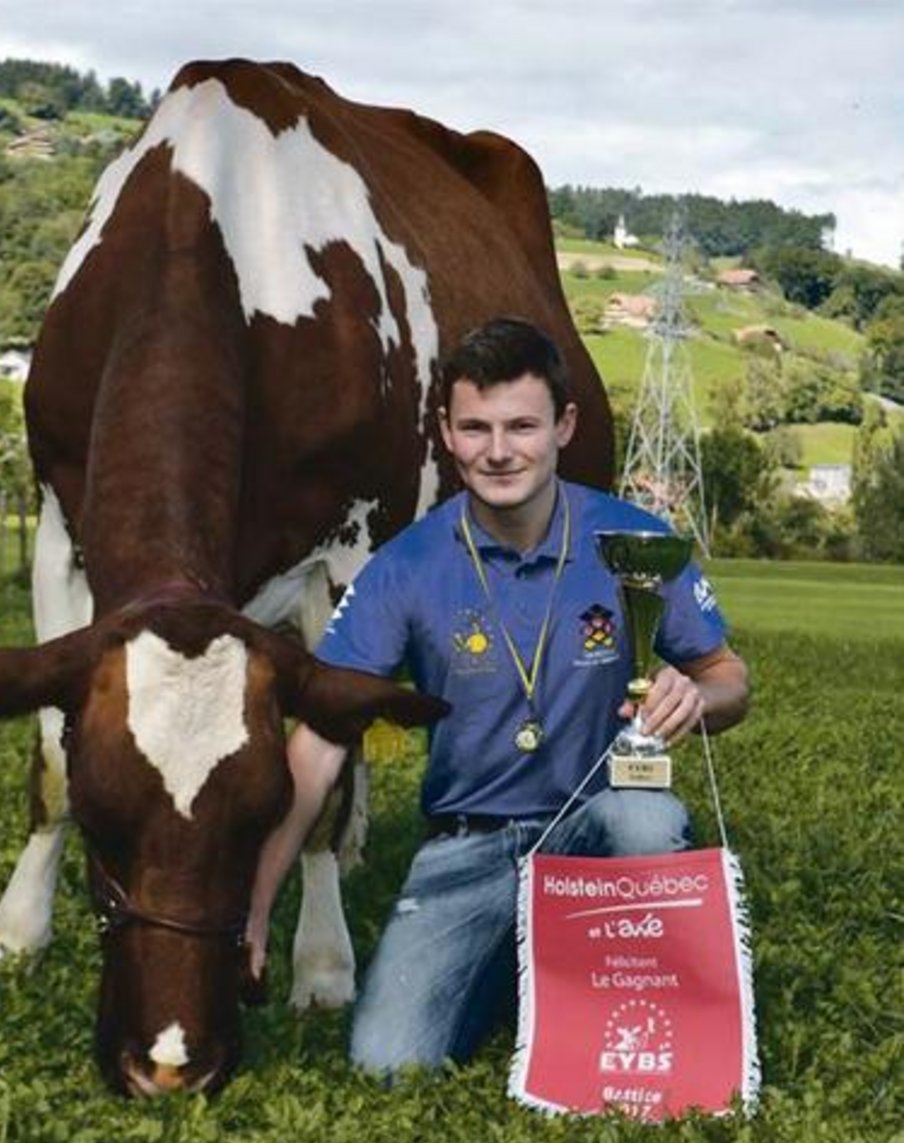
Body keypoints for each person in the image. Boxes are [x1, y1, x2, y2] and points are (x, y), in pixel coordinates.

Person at [246, 316, 750, 1076]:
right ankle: (531, 966)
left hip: (596, 827)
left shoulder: (633, 540)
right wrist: (251, 913)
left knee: (643, 816)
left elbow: (729, 678)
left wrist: (697, 696)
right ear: (446, 432)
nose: (499, 450)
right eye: (475, 427)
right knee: (389, 1062)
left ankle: (602, 964)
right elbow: (317, 744)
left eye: (522, 425)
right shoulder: (403, 567)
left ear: (564, 426)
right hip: (467, 847)